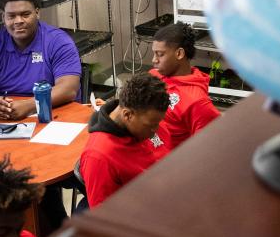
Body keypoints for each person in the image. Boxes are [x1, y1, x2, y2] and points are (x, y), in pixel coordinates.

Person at [0, 0, 81, 121]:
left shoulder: (58, 42)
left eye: (25, 14)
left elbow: (69, 89)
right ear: (3, 18)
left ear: (37, 13)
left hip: (52, 114)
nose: (18, 21)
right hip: (7, 116)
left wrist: (29, 105)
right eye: (11, 16)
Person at [78, 73, 170, 208]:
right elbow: (105, 220)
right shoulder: (99, 157)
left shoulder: (145, 120)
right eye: (151, 125)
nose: (156, 130)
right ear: (127, 115)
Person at [150, 22, 221, 150]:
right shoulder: (154, 75)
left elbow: (207, 149)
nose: (154, 60)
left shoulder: (197, 102)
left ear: (179, 54)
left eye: (160, 54)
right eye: (154, 54)